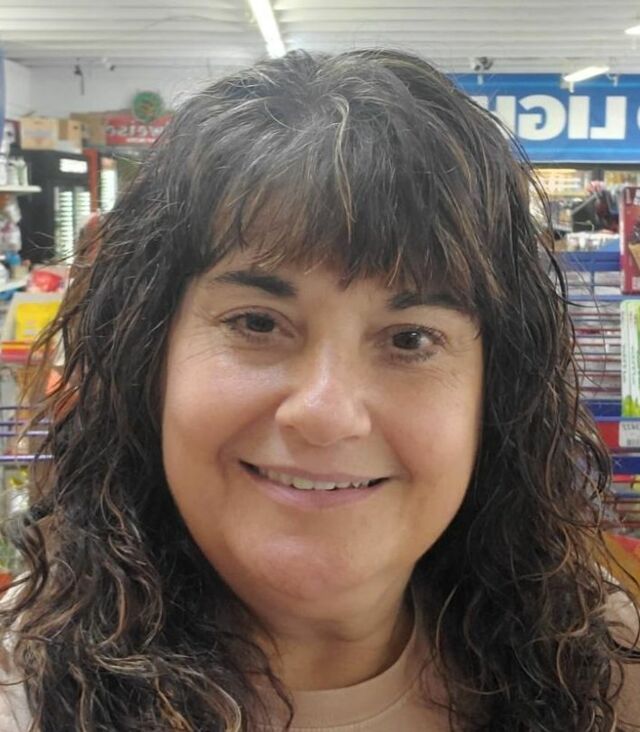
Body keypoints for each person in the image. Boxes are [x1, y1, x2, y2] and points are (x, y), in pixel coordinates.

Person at [0, 48, 638, 731]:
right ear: (148, 357)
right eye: (256, 322)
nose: (326, 413)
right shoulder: (25, 694)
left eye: (410, 338)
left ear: (497, 389)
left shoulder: (600, 662)